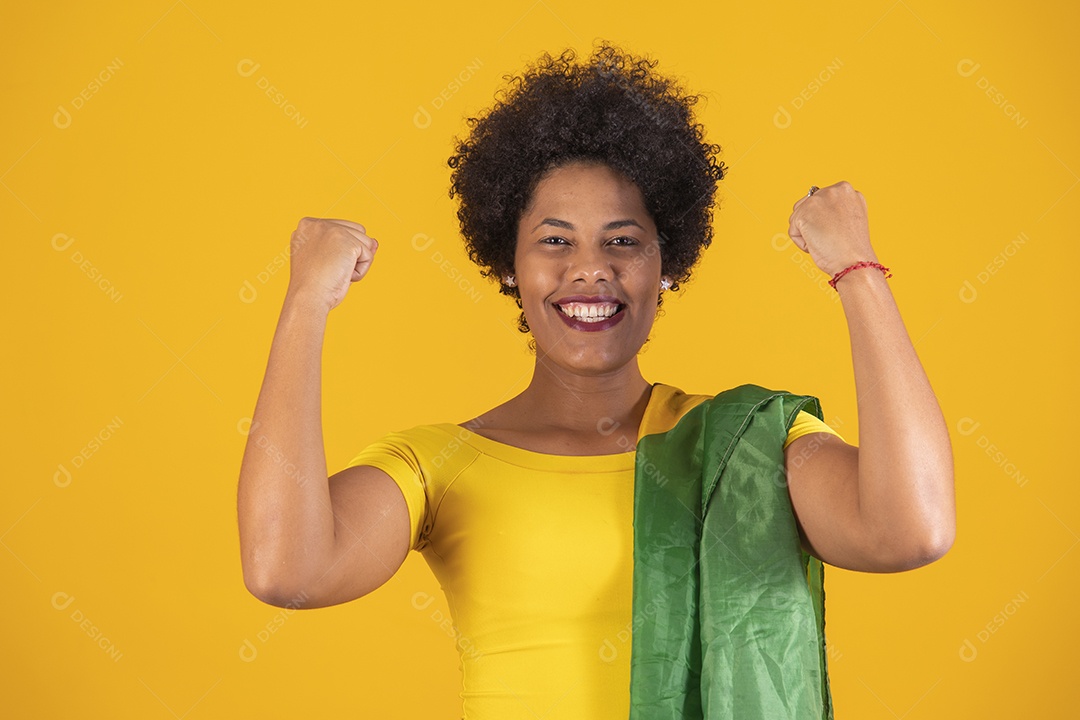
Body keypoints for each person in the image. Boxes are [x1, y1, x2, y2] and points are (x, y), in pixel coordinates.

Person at [237, 42, 955, 719]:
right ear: (509, 267)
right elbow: (285, 570)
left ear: (665, 266)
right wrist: (306, 301)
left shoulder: (749, 444)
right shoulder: (440, 464)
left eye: (623, 241)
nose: (589, 269)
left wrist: (856, 269)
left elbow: (910, 530)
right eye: (555, 241)